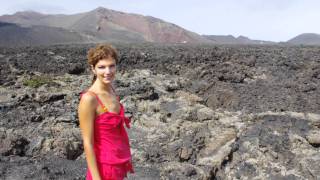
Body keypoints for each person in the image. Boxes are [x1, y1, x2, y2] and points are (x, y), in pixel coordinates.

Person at [78, 44, 134, 180]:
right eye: (102, 67)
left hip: (118, 163)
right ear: (93, 69)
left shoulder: (111, 90)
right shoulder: (89, 99)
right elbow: (88, 143)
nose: (108, 71)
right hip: (104, 168)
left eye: (112, 66)